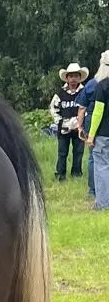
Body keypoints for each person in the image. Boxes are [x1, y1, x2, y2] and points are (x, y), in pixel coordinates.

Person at [77, 51, 109, 198]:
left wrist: (91, 135)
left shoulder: (100, 85)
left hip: (103, 133)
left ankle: (102, 201)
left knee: (101, 166)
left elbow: (97, 112)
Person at [49, 62, 88, 181]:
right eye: (71, 76)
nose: (73, 79)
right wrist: (59, 122)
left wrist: (82, 121)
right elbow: (53, 108)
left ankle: (76, 174)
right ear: (67, 78)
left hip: (79, 128)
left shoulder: (84, 92)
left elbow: (88, 107)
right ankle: (60, 175)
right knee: (62, 152)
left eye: (76, 76)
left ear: (80, 78)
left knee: (78, 152)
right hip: (64, 128)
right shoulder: (60, 93)